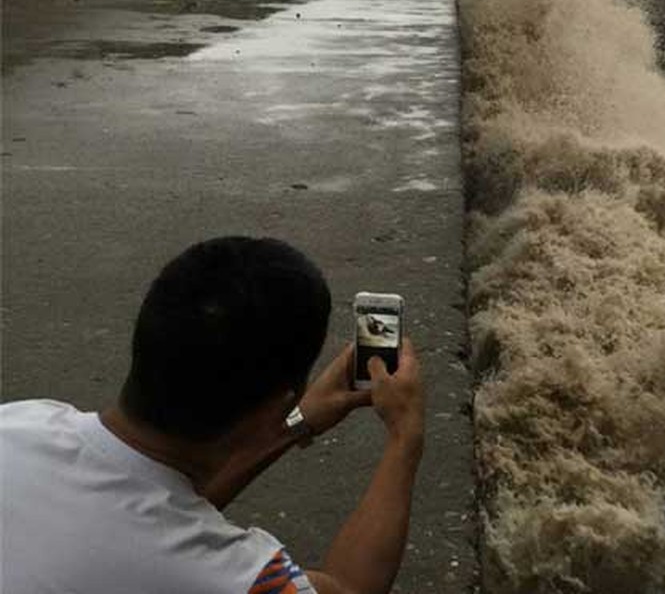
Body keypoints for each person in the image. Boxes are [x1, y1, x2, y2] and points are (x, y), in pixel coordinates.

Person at [0, 236, 426, 594]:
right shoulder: (231, 578)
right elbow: (346, 588)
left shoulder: (21, 421)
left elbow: (151, 505)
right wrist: (404, 437)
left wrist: (294, 422)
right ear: (275, 406)